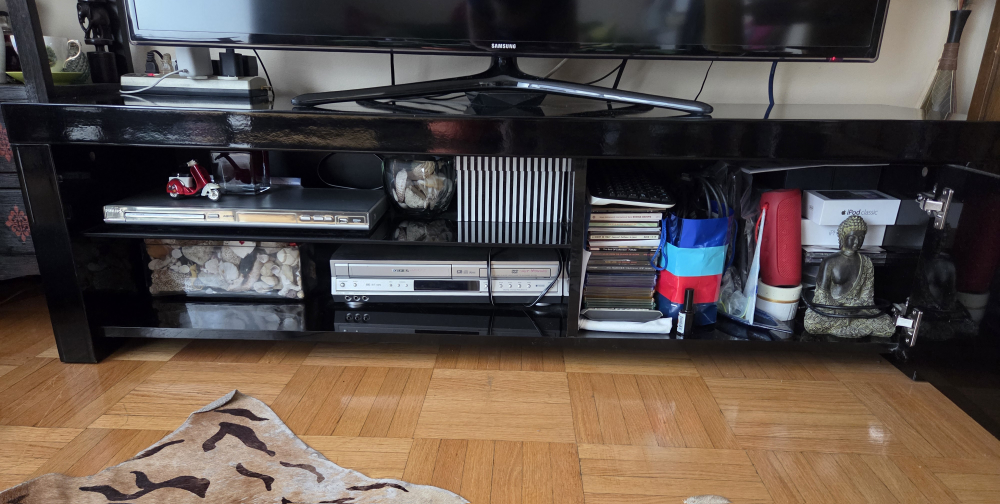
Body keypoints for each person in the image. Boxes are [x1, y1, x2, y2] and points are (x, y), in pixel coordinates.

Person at [803, 215, 895, 337]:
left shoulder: (867, 263)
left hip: (857, 310)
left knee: (888, 326)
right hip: (832, 309)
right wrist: (840, 309)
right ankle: (854, 327)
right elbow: (821, 296)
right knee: (811, 323)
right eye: (852, 237)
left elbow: (867, 297)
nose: (857, 242)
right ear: (843, 237)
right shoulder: (829, 262)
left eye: (861, 238)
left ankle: (843, 326)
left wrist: (855, 308)